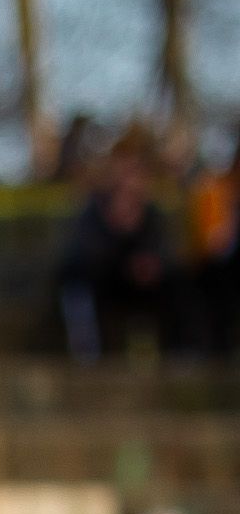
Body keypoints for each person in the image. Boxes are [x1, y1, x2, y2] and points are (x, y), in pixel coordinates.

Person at [59, 149, 180, 361]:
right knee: (76, 284)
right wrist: (115, 229)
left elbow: (167, 252)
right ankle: (88, 356)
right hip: (106, 283)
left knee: (179, 286)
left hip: (145, 286)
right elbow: (82, 255)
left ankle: (181, 353)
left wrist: (151, 265)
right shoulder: (95, 211)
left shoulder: (152, 214)